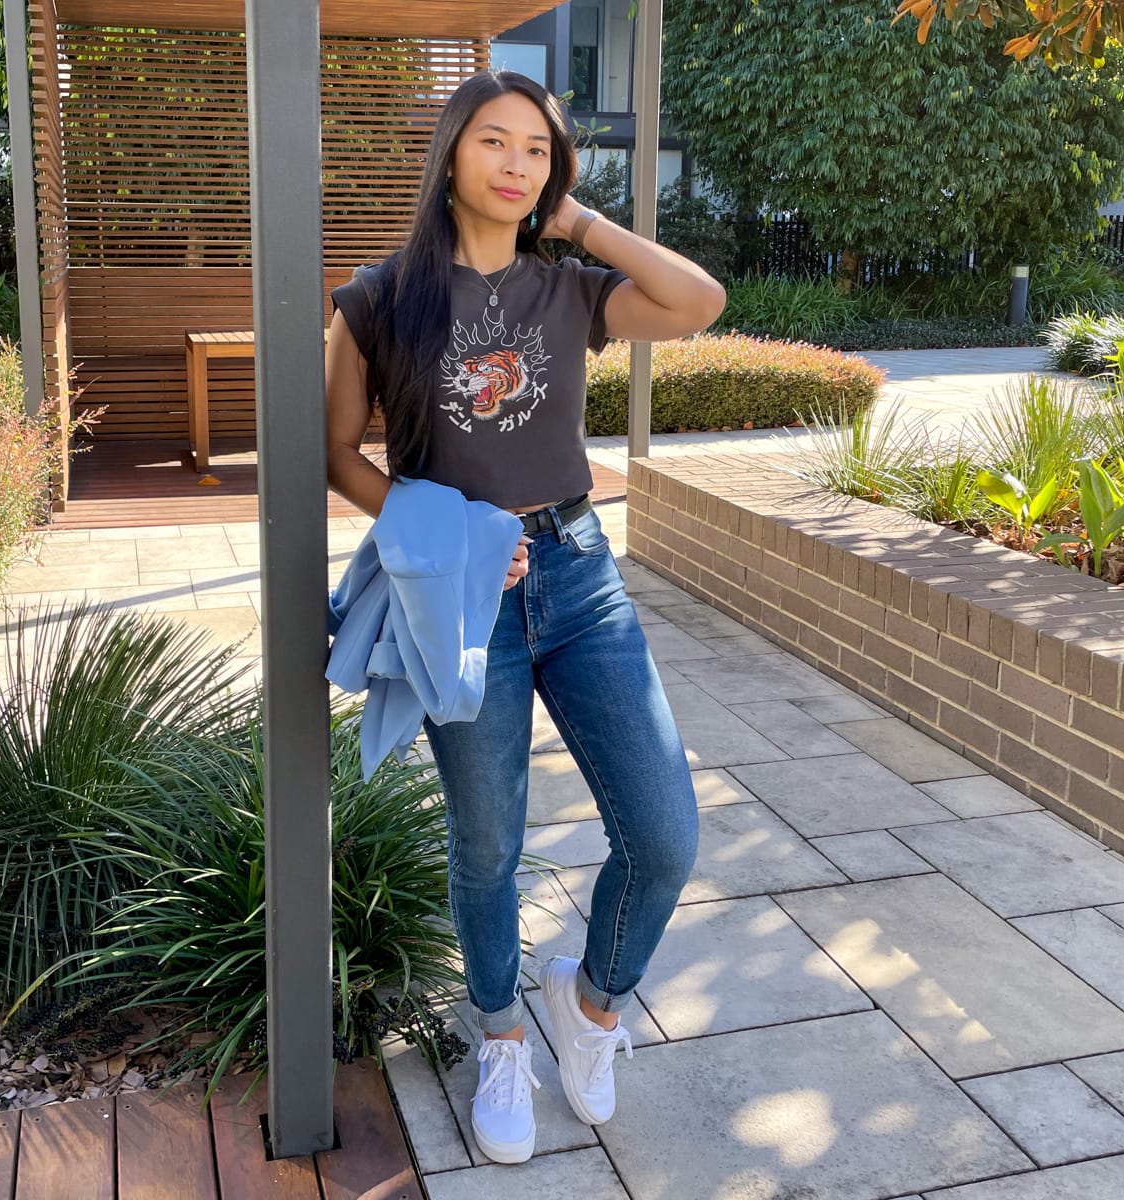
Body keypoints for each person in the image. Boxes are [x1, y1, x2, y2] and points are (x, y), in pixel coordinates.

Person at [324, 69, 726, 1164]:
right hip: (462, 595)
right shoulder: (378, 297)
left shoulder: (568, 291)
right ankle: (499, 1034)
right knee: (488, 843)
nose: (514, 165)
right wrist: (454, 535)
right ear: (450, 153)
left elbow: (697, 303)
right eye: (494, 143)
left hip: (582, 576)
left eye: (537, 151)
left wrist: (585, 224)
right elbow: (338, 457)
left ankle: (589, 1007)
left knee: (662, 832)